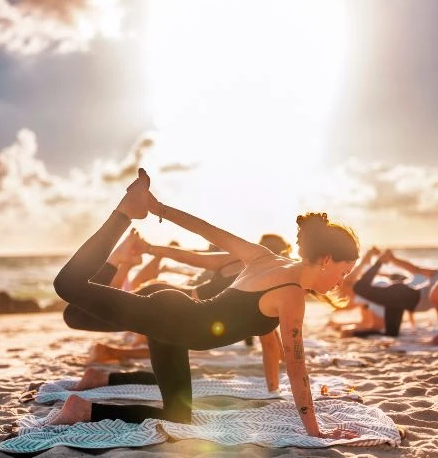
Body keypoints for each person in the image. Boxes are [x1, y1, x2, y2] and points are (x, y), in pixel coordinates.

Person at [52, 168, 360, 438]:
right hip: (172, 318)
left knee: (177, 416)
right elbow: (296, 368)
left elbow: (207, 230)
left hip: (175, 323)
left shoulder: (266, 258)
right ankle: (122, 214)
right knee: (68, 285)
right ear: (326, 260)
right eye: (342, 271)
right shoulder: (292, 294)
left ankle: (81, 409)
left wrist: (159, 207)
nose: (340, 281)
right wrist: (314, 429)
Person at [76, 230, 291, 386]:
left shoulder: (240, 263)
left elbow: (190, 257)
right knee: (87, 314)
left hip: (170, 302)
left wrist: (151, 248)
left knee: (98, 312)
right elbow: (269, 341)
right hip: (170, 306)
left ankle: (115, 269)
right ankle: (117, 261)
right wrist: (273, 389)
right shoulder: (262, 279)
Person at [351, 249, 438, 337]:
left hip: (402, 301)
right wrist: (393, 259)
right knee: (359, 288)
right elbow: (415, 269)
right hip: (403, 294)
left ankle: (354, 334)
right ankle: (379, 262)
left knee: (392, 334)